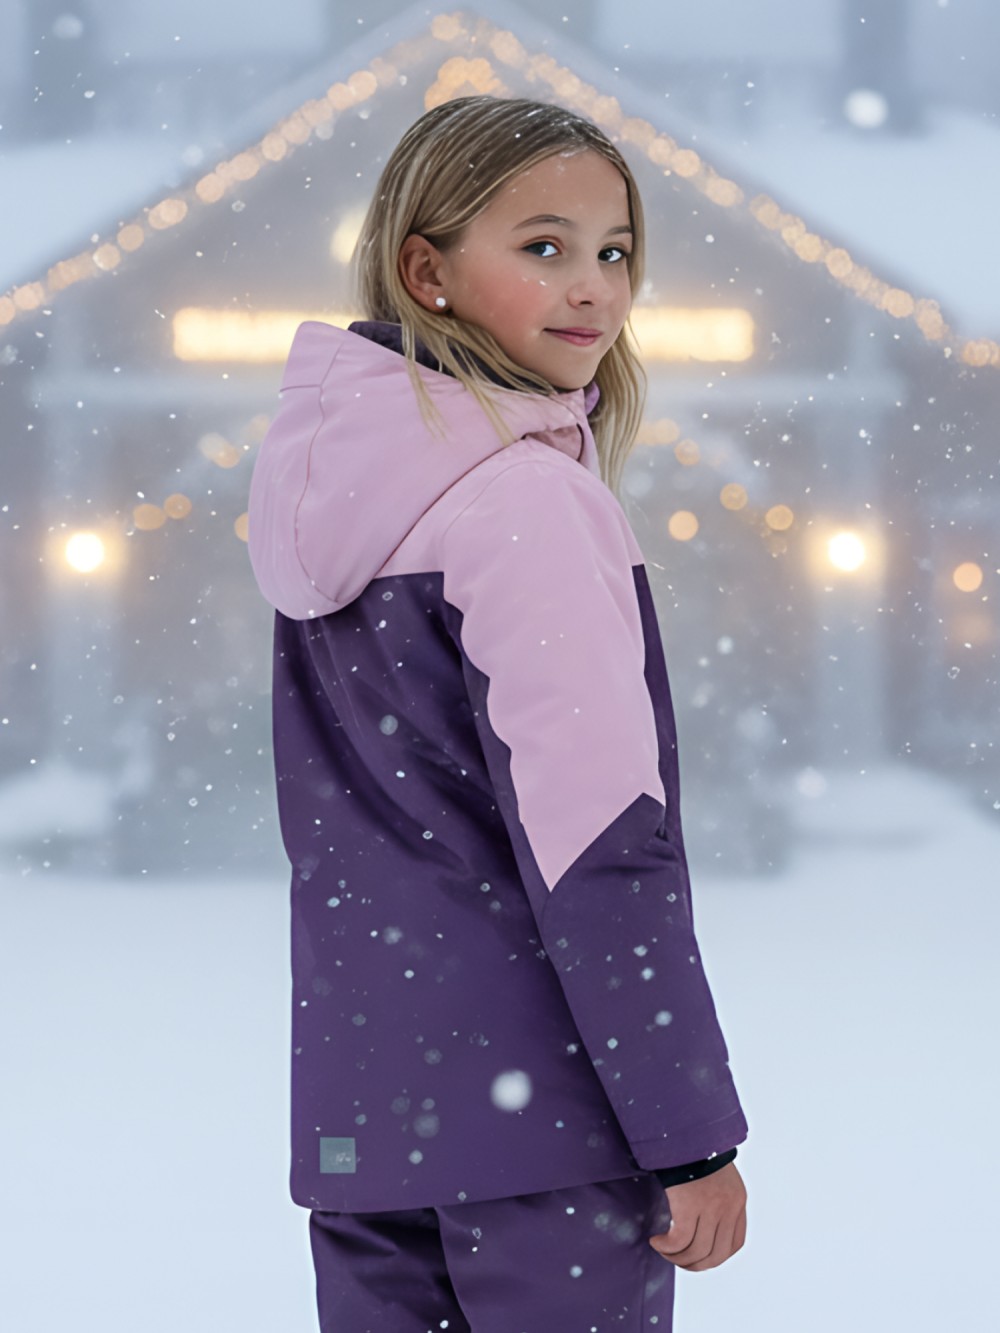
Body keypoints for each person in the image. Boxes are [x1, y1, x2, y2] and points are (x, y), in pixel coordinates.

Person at [247, 93, 748, 1333]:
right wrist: (687, 1131)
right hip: (546, 1132)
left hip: (369, 1121)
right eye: (543, 245)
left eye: (614, 250)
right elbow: (598, 846)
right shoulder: (525, 504)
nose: (592, 287)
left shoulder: (330, 503)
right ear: (427, 272)